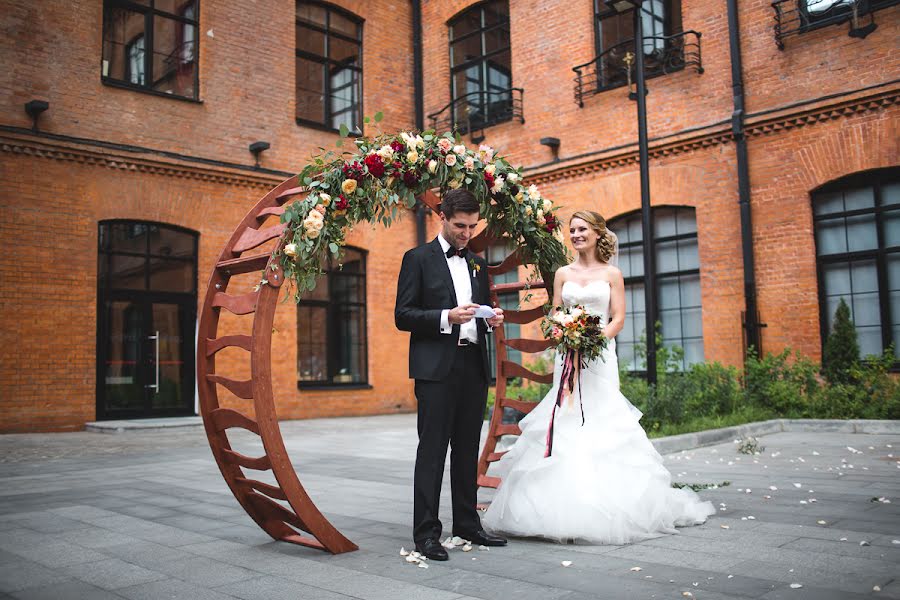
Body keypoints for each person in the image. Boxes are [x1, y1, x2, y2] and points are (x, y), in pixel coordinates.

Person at [482, 210, 715, 544]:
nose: (575, 235)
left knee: (600, 417)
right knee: (565, 417)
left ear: (596, 233)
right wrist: (564, 331)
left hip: (600, 355)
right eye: (572, 230)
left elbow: (618, 318)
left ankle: (610, 505)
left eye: (582, 230)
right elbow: (556, 313)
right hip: (568, 353)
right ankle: (554, 506)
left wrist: (593, 339)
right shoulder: (562, 273)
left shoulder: (612, 273)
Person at [394, 188, 507, 560]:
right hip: (435, 370)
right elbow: (403, 315)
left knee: (466, 451)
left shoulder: (477, 263)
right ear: (442, 216)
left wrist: (491, 319)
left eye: (473, 226)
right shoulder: (417, 259)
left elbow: (477, 314)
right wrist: (446, 317)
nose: (467, 233)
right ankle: (426, 534)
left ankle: (467, 524)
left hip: (473, 367)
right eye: (460, 225)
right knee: (432, 452)